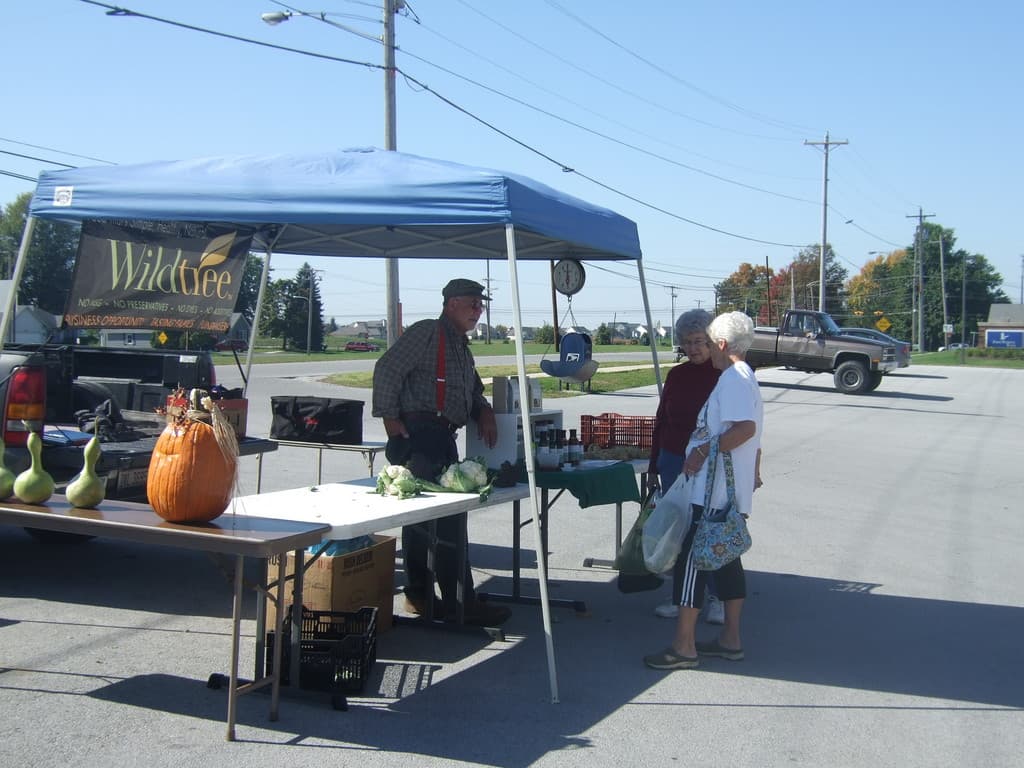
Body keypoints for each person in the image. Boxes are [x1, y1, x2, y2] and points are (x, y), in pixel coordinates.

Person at [372, 278, 512, 627]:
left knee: (429, 520)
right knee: (444, 521)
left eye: (481, 304)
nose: (479, 309)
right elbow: (387, 369)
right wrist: (390, 419)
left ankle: (421, 595)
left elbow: (471, 390)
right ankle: (458, 604)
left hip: (442, 436)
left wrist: (483, 410)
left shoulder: (461, 346)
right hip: (420, 436)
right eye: (472, 303)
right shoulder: (428, 333)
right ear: (451, 303)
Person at [644, 311, 764, 670]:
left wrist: (701, 450)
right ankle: (730, 639)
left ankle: (684, 647)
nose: (703, 349)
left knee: (691, 563)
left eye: (709, 342)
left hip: (711, 492)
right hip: (724, 491)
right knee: (725, 560)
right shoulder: (742, 376)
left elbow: (744, 429)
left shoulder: (733, 378)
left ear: (722, 344)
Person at [646, 309, 725, 624]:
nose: (692, 348)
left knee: (706, 529)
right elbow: (661, 420)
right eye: (687, 343)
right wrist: (654, 463)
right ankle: (681, 596)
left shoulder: (723, 374)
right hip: (672, 460)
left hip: (708, 463)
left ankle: (717, 597)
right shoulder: (676, 375)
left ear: (712, 342)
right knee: (677, 530)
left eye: (698, 341)